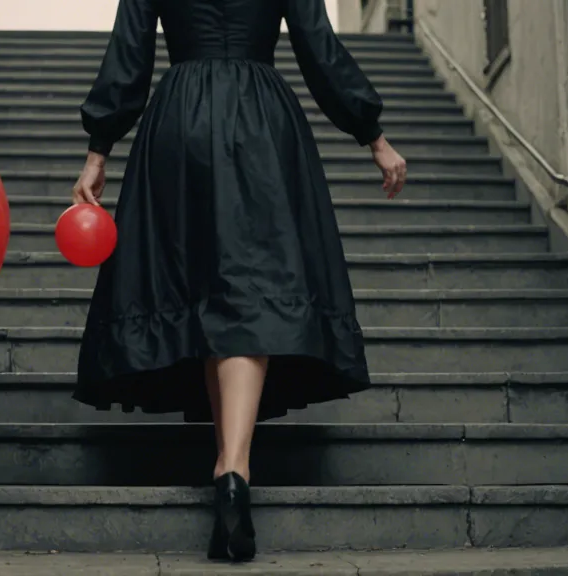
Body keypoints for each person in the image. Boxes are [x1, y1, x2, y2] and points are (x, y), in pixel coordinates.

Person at [71, 0, 407, 562]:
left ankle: (229, 465)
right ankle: (233, 471)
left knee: (208, 288)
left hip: (179, 119)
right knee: (247, 290)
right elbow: (316, 44)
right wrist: (371, 132)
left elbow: (128, 56)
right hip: (260, 121)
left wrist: (98, 148)